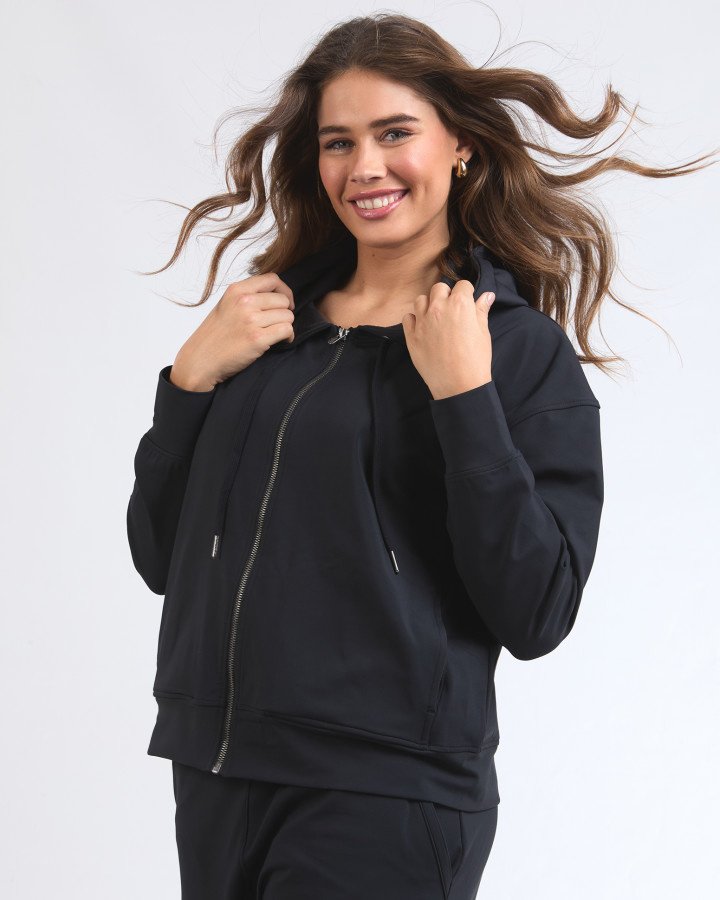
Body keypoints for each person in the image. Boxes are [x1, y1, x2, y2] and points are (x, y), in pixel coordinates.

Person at [126, 13, 715, 899]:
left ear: (461, 145)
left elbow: (538, 610)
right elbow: (159, 557)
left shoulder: (512, 349)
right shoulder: (267, 332)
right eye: (338, 142)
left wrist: (464, 399)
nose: (364, 166)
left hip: (385, 792)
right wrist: (188, 383)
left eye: (395, 133)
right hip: (216, 771)